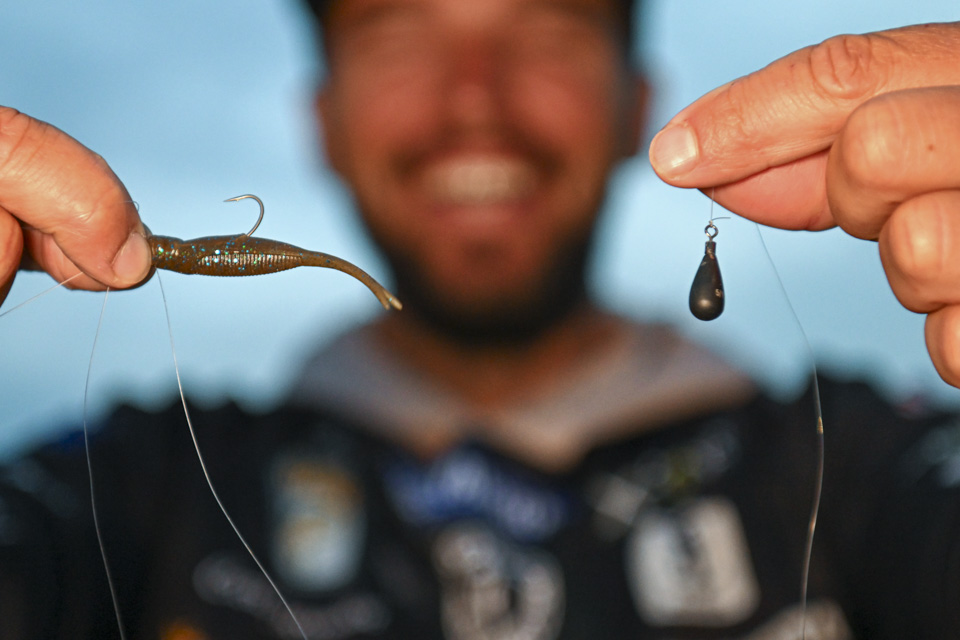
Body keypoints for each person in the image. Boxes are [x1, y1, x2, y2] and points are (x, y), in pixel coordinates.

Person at [1, 0, 959, 637]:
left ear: (636, 106)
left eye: (547, 31)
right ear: (324, 122)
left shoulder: (857, 466)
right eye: (399, 35)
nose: (474, 98)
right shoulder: (136, 483)